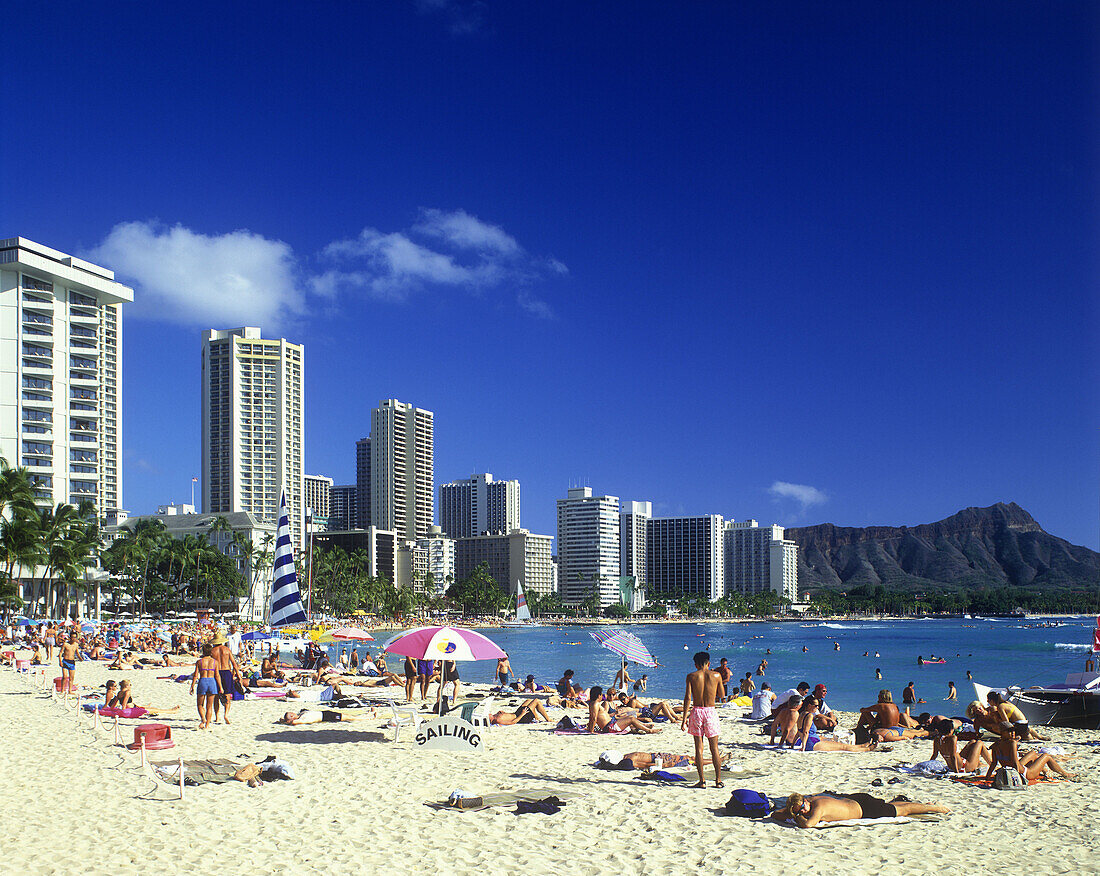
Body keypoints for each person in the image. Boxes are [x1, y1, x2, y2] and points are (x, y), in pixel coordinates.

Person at [775, 793, 949, 827]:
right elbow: (777, 813)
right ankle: (911, 803)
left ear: (805, 801)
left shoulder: (818, 808)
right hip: (856, 799)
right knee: (895, 807)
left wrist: (796, 816)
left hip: (865, 809)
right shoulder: (812, 800)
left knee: (905, 810)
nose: (803, 812)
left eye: (802, 809)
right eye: (800, 812)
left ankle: (935, 808)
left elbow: (808, 825)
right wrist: (792, 811)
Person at [681, 652, 723, 788]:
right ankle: (718, 780)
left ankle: (702, 781)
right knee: (714, 748)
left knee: (699, 748)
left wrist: (683, 720)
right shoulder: (716, 675)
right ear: (709, 663)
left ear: (696, 664)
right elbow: (722, 695)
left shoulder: (691, 676)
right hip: (710, 711)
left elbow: (687, 698)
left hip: (697, 711)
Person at [986, 722, 1078, 782]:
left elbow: (994, 763)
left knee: (1033, 753)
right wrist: (1019, 779)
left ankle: (1045, 770)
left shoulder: (995, 745)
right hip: (1024, 773)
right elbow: (1015, 762)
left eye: (1013, 731)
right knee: (1046, 756)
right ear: (1002, 732)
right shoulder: (1012, 743)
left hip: (1009, 771)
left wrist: (987, 777)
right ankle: (1065, 774)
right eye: (1009, 731)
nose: (1013, 733)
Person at [587, 686, 660, 734]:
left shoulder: (592, 704)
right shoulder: (596, 704)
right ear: (599, 695)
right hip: (609, 726)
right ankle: (649, 731)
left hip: (611, 723)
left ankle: (644, 726)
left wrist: (590, 728)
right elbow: (593, 718)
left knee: (629, 717)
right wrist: (591, 731)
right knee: (631, 718)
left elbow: (592, 718)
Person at [210, 632, 241, 725]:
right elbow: (234, 663)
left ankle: (217, 717)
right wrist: (238, 674)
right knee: (227, 695)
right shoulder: (227, 650)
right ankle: (226, 715)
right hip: (226, 672)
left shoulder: (212, 651)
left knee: (216, 695)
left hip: (216, 672)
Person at [191, 643, 218, 730]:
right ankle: (207, 725)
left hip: (203, 681)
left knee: (200, 704)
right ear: (211, 652)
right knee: (209, 706)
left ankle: (203, 719)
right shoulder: (215, 662)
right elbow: (217, 675)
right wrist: (220, 687)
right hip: (212, 682)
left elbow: (195, 675)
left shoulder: (199, 662)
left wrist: (192, 686)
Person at [279, 708, 371, 725]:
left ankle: (365, 716)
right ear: (292, 716)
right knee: (347, 717)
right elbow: (293, 722)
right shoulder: (301, 719)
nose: (294, 713)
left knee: (346, 715)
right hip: (326, 717)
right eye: (292, 714)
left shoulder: (300, 716)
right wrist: (286, 721)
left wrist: (283, 720)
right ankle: (366, 717)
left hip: (324, 713)